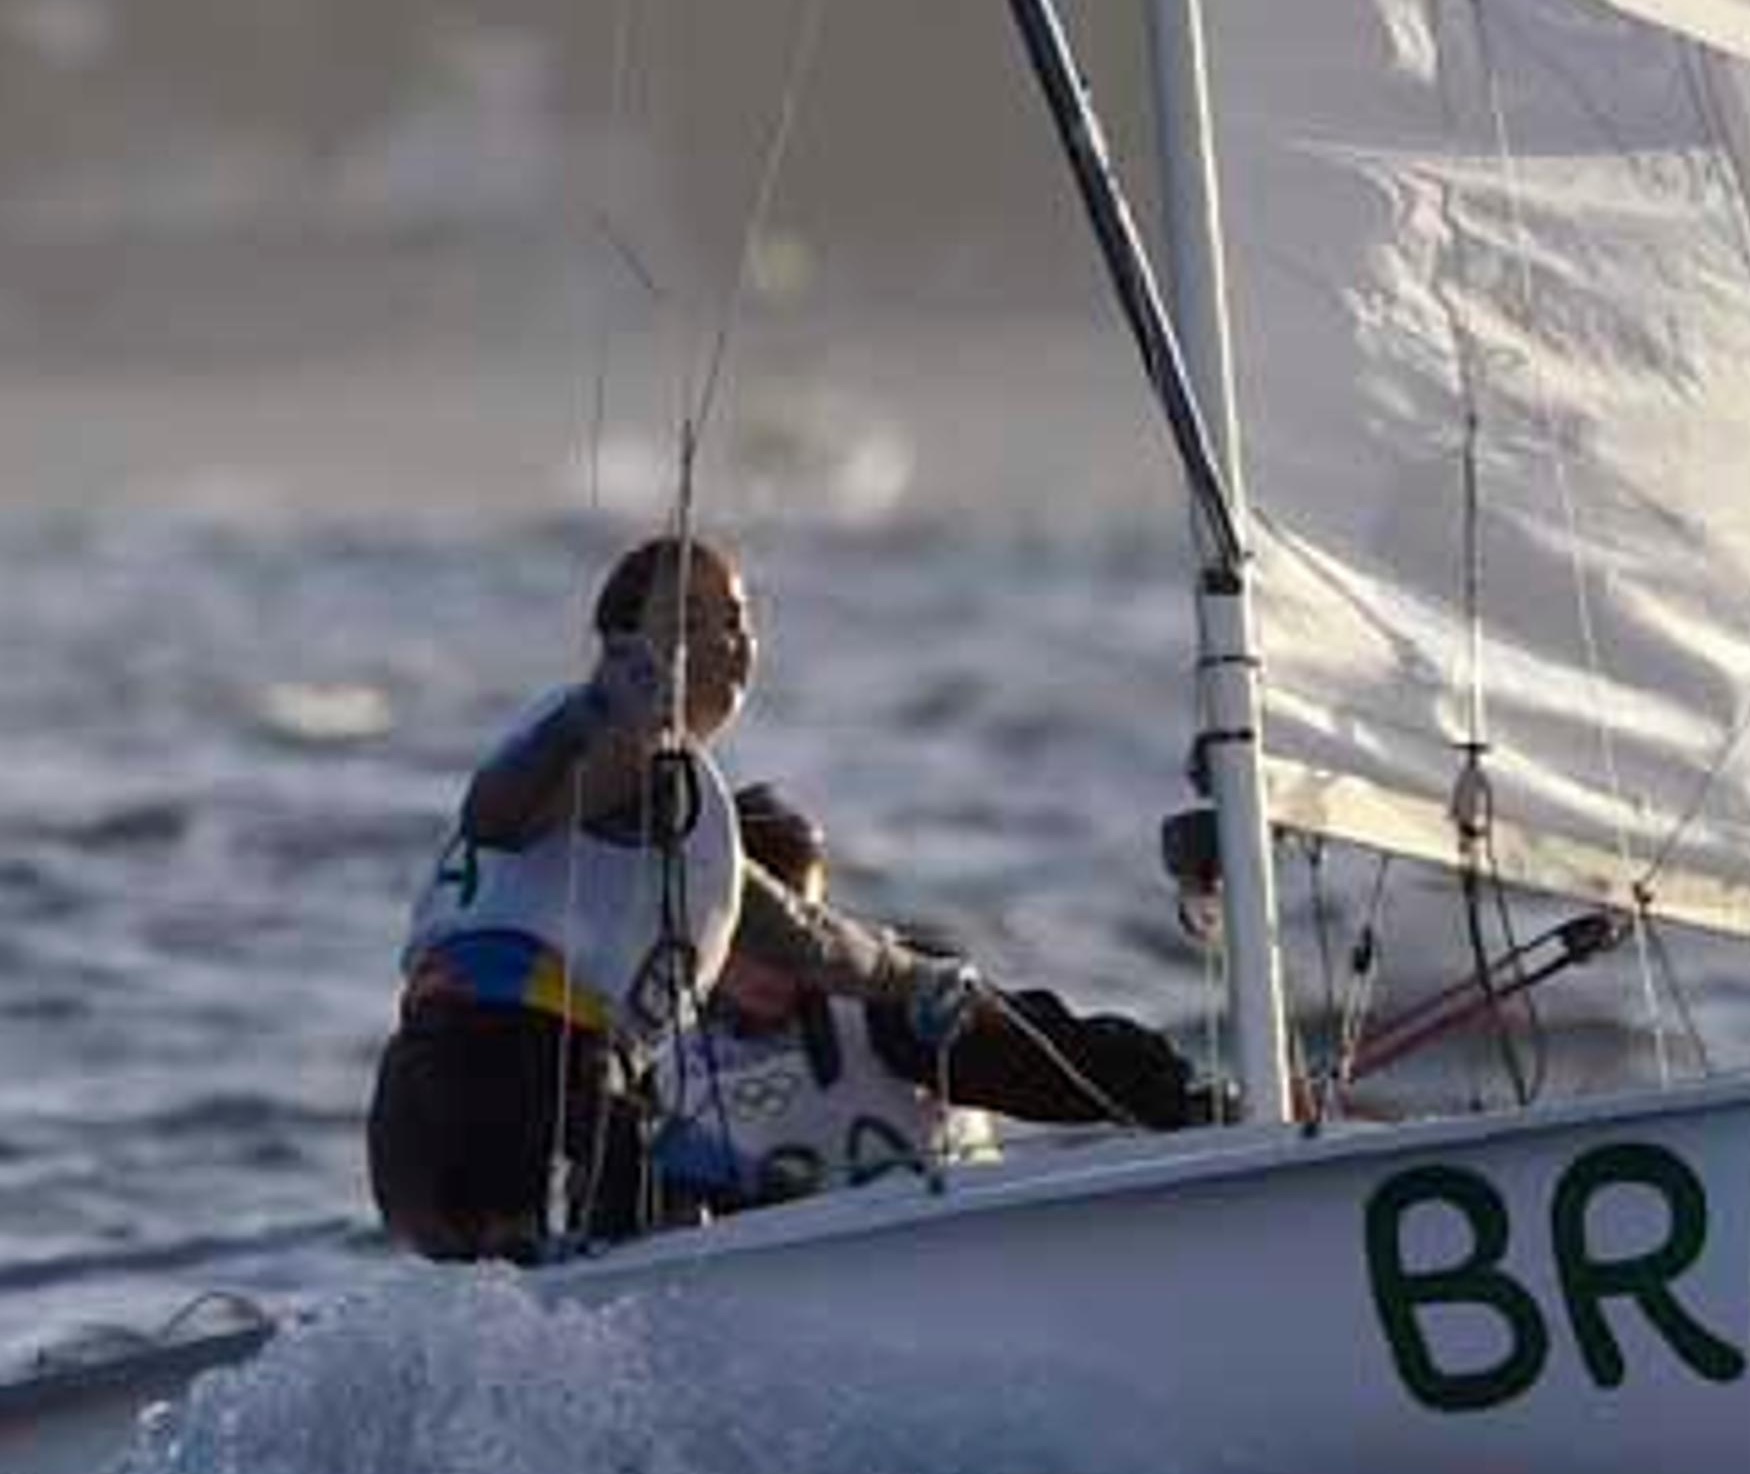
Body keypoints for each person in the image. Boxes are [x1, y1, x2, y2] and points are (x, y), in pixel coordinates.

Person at [368, 534, 965, 1261]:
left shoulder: (682, 802)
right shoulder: (618, 752)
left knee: (555, 1269)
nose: (726, 641)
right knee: (659, 1226)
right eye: (688, 619)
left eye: (738, 619)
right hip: (502, 1081)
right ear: (620, 644)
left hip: (427, 1112)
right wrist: (590, 715)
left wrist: (914, 976)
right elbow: (498, 817)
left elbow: (806, 938)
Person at [654, 782, 1203, 1209]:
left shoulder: (889, 1005)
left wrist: (1188, 1099)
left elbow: (1060, 1062)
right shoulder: (658, 1053)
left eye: (796, 940)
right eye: (754, 943)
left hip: (949, 1264)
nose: (777, 967)